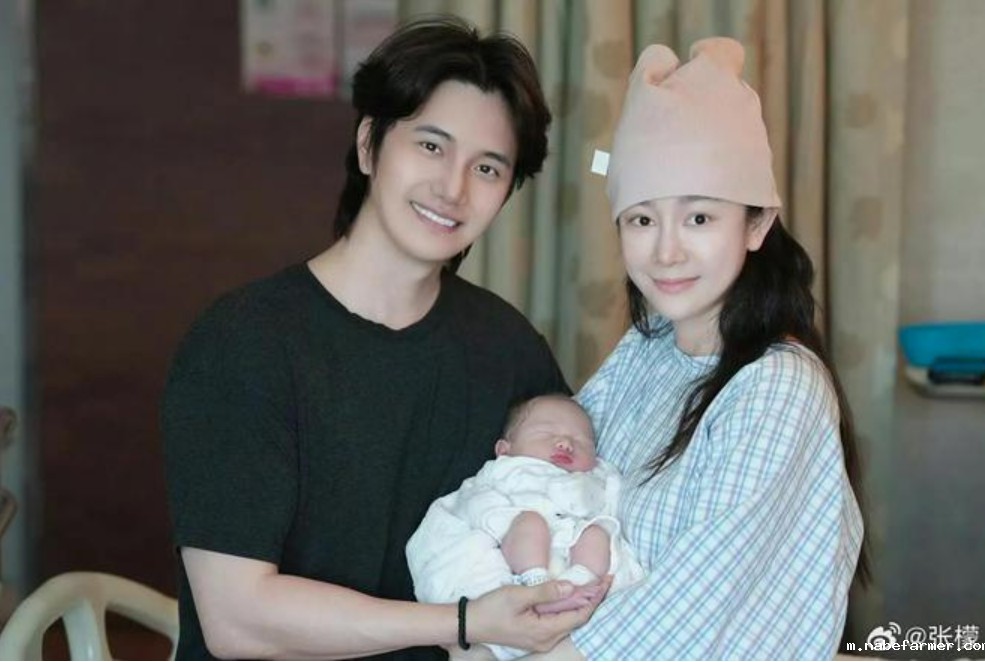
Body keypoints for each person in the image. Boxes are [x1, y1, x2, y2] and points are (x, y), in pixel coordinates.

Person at [161, 17, 605, 661]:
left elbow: (573, 523)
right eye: (430, 146)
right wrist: (460, 623)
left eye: (487, 167)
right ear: (369, 145)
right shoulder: (243, 344)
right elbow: (239, 624)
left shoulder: (509, 350)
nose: (452, 188)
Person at [526, 38, 867, 660]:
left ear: (757, 224)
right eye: (642, 219)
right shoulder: (648, 347)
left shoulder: (777, 386)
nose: (666, 252)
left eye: (700, 219)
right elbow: (553, 485)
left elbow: (690, 604)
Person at [406, 395, 644, 659]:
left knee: (598, 535)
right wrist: (500, 521)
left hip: (569, 554)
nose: (565, 443)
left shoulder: (596, 477)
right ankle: (535, 587)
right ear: (504, 449)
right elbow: (476, 501)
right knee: (531, 523)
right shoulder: (504, 471)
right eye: (546, 433)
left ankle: (577, 583)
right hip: (513, 555)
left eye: (582, 441)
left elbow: (613, 503)